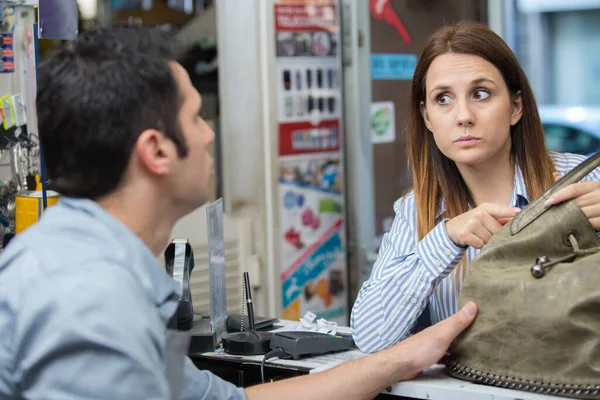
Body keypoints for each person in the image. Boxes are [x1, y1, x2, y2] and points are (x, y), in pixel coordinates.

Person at [0, 26, 478, 400]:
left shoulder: (104, 269)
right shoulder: (86, 297)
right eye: (194, 118)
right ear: (157, 151)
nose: (209, 135)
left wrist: (398, 359)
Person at [351, 20, 600, 354]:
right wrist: (446, 239)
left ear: (516, 106)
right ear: (427, 118)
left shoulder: (584, 182)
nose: (463, 115)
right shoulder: (417, 211)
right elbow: (370, 337)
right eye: (443, 99)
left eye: (481, 94)